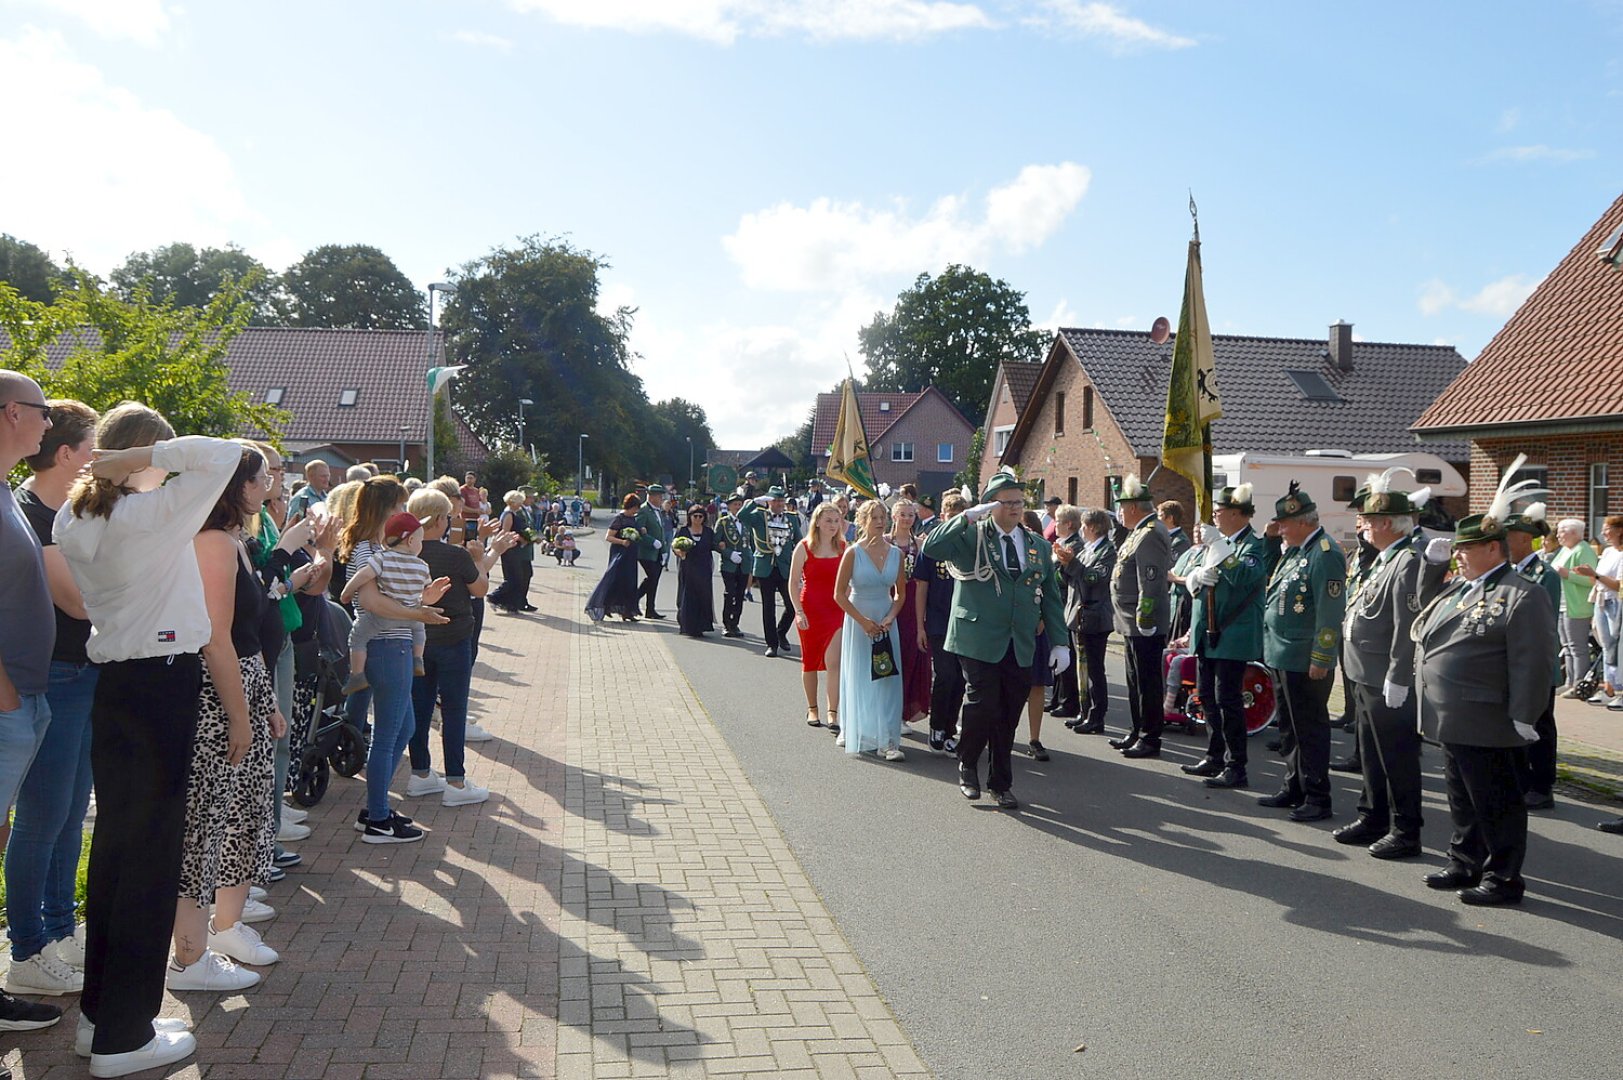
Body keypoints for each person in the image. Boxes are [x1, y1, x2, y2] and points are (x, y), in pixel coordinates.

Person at [55, 402, 243, 1075]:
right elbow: (225, 453)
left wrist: (126, 462)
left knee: (114, 855)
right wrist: (145, 460)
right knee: (148, 860)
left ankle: (103, 1019)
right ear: (143, 453)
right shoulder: (152, 512)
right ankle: (123, 1037)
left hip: (117, 687)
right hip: (160, 685)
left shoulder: (76, 514)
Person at [167, 444, 286, 994]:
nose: (269, 485)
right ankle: (189, 956)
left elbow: (247, 633)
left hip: (244, 688)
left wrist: (266, 703)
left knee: (245, 813)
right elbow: (214, 638)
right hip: (218, 699)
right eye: (261, 477)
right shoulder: (212, 543)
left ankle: (224, 930)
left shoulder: (235, 541)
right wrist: (240, 715)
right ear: (234, 486)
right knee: (207, 822)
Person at [1414, 501, 1556, 906]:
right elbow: (1424, 612)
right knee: (1462, 797)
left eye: (1465, 548)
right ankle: (1464, 861)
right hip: (1453, 717)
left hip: (1490, 718)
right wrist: (1431, 566)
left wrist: (1527, 714)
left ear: (1493, 549)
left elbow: (1534, 661)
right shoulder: (1462, 587)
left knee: (1497, 803)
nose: (1458, 554)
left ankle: (1504, 877)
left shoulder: (1523, 595)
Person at [7, 399, 100, 1001]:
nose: (98, 463)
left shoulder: (66, 512)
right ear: (65, 455)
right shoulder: (30, 513)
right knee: (43, 818)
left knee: (70, 813)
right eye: (92, 451)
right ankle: (30, 946)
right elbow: (76, 602)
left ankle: (62, 930)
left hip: (82, 674)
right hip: (56, 675)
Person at [921, 470, 1068, 810]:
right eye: (1009, 502)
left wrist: (1060, 641)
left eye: (1020, 501)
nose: (1016, 508)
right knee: (982, 704)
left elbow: (1050, 596)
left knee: (1007, 714)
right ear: (992, 504)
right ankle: (968, 762)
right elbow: (932, 546)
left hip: (1019, 641)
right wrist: (965, 516)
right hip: (977, 637)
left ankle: (1001, 783)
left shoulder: (1036, 544)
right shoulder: (972, 536)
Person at [0, 374, 67, 1035]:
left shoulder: (6, 494)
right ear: (13, 413)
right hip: (8, 703)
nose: (50, 426)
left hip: (26, 698)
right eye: (43, 413)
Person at [1332, 472, 1433, 859]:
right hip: (1363, 671)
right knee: (1370, 751)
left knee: (1397, 756)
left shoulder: (1407, 560)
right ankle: (1372, 816)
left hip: (1384, 676)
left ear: (1388, 523)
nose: (1366, 527)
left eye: (1371, 521)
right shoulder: (1383, 557)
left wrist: (1397, 674)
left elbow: (1407, 625)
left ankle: (1406, 830)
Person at [403, 489, 514, 809]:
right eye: (448, 517)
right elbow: (479, 589)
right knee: (453, 710)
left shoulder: (406, 554)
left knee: (420, 708)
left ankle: (420, 773)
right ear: (439, 520)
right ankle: (455, 780)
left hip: (418, 640)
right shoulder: (456, 555)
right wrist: (480, 559)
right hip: (453, 640)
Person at [348, 503, 451, 844]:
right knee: (387, 735)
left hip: (395, 648)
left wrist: (424, 600)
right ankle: (377, 817)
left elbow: (403, 600)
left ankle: (375, 808)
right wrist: (419, 611)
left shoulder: (394, 560)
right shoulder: (376, 556)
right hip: (390, 649)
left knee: (403, 727)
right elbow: (369, 600)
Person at [1256, 482, 1346, 823]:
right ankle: (1294, 785)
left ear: (1305, 521)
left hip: (1305, 658)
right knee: (1289, 729)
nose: (1280, 529)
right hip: (1282, 654)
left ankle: (1318, 796)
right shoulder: (1295, 551)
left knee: (1310, 729)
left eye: (1285, 523)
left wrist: (1321, 658)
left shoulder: (1325, 554)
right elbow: (1271, 576)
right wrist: (1268, 540)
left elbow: (1329, 611)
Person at [1183, 484, 1269, 787]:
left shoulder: (1253, 545)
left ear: (1237, 513)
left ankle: (1237, 765)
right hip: (1207, 633)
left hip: (1232, 634)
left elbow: (1245, 576)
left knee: (1227, 699)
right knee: (1206, 696)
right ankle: (1215, 755)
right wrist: (1196, 576)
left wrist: (1219, 545)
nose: (1215, 515)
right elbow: (1191, 572)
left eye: (1220, 510)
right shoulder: (1213, 542)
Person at [834, 500, 907, 760]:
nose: (880, 521)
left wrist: (890, 617)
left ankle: (887, 740)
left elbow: (900, 594)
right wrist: (863, 621)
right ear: (863, 521)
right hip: (859, 618)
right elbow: (839, 595)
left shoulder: (896, 554)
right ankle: (855, 727)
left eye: (883, 517)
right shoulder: (853, 552)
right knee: (859, 673)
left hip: (885, 621)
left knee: (887, 677)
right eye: (874, 517)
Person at [1109, 476, 1172, 758]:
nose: (1119, 511)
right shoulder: (1138, 530)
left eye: (1122, 506)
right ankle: (1137, 730)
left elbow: (1151, 579)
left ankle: (1150, 737)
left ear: (1134, 506)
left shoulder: (1150, 533)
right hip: (1129, 620)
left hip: (1143, 622)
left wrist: (1145, 617)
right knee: (1135, 680)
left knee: (1147, 681)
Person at [914, 493, 967, 753]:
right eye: (950, 517)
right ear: (943, 518)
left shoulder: (969, 546)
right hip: (937, 621)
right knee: (946, 675)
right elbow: (921, 587)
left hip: (965, 624)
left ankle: (949, 729)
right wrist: (920, 626)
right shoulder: (932, 547)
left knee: (960, 679)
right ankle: (936, 727)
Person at [1057, 506, 1115, 736]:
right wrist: (1064, 562)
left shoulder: (1108, 551)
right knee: (1081, 668)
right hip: (1077, 615)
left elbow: (1094, 577)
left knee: (1094, 669)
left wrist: (1072, 563)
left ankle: (1096, 715)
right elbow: (1068, 576)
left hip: (1094, 616)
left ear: (1092, 527)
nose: (1081, 529)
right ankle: (1083, 711)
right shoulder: (1086, 550)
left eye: (1083, 525)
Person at [791, 503, 848, 730]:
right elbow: (794, 582)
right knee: (810, 661)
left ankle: (833, 712)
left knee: (834, 662)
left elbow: (852, 578)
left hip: (836, 610)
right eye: (828, 521)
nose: (833, 525)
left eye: (836, 521)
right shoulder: (804, 547)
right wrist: (798, 611)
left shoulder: (845, 547)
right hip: (810, 610)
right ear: (817, 522)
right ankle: (812, 708)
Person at [738, 486, 803, 657]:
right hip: (765, 566)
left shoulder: (792, 519)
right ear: (769, 501)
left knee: (791, 605)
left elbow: (799, 541)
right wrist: (754, 502)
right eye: (775, 500)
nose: (779, 504)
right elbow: (741, 516)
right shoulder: (760, 516)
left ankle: (780, 632)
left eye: (781, 500)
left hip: (784, 566)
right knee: (768, 607)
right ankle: (771, 644)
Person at [888, 500, 931, 727]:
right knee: (892, 655)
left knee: (911, 655)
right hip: (891, 601)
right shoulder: (886, 542)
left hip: (914, 603)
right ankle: (889, 710)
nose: (906, 518)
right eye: (902, 514)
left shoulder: (921, 543)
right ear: (894, 516)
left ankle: (906, 709)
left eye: (910, 515)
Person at [1573, 515, 1623, 709]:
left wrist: (1593, 574)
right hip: (1602, 602)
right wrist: (1589, 574)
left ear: (1620, 530)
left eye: (1607, 529)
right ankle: (1609, 689)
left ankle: (1619, 690)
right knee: (1606, 647)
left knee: (1617, 648)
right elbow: (1599, 580)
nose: (1603, 533)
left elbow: (1619, 585)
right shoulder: (1609, 552)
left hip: (1616, 603)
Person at [1547, 518, 1598, 698]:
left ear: (1575, 533)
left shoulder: (1583, 551)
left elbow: (1592, 580)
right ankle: (1570, 680)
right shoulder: (1564, 551)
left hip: (1577, 606)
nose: (1558, 535)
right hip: (1563, 605)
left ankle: (1579, 683)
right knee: (1567, 646)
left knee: (1577, 647)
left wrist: (1568, 575)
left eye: (1562, 531)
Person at [585, 494, 644, 623]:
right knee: (614, 580)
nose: (636, 511)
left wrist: (641, 531)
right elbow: (608, 537)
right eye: (635, 508)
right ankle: (605, 606)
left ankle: (627, 611)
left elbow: (638, 532)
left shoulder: (634, 519)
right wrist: (622, 542)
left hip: (631, 555)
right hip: (619, 554)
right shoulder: (620, 519)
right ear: (631, 506)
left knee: (630, 582)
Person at [674, 505, 717, 638]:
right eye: (695, 516)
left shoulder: (709, 532)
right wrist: (680, 552)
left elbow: (714, 545)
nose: (698, 519)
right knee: (687, 595)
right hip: (688, 568)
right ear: (690, 517)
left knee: (703, 596)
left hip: (704, 569)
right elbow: (674, 545)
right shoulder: (683, 531)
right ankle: (687, 625)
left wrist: (721, 546)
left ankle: (701, 625)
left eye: (700, 516)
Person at [716, 493, 749, 637]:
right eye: (735, 504)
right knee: (730, 593)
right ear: (729, 506)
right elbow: (716, 543)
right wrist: (729, 554)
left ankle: (735, 623)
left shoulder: (747, 522)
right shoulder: (723, 522)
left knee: (740, 595)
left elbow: (752, 543)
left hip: (744, 564)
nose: (737, 507)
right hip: (729, 565)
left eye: (739, 504)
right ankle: (726, 624)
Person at [634, 484, 669, 619]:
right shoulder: (644, 510)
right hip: (646, 552)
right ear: (652, 496)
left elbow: (661, 532)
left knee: (654, 580)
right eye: (659, 496)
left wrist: (664, 550)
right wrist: (651, 541)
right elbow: (638, 531)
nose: (661, 498)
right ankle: (634, 599)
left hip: (658, 552)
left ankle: (650, 609)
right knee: (652, 578)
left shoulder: (658, 510)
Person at [283, 460, 331, 527]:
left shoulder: (327, 498)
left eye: (328, 475)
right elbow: (293, 526)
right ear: (310, 476)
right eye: (323, 476)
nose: (327, 479)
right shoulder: (300, 498)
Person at [459, 472, 482, 541]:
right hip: (466, 520)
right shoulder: (462, 490)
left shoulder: (476, 491)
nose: (469, 480)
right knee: (468, 540)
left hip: (477, 520)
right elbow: (462, 507)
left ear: (475, 479)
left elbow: (481, 503)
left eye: (471, 478)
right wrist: (476, 510)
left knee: (476, 540)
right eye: (467, 478)